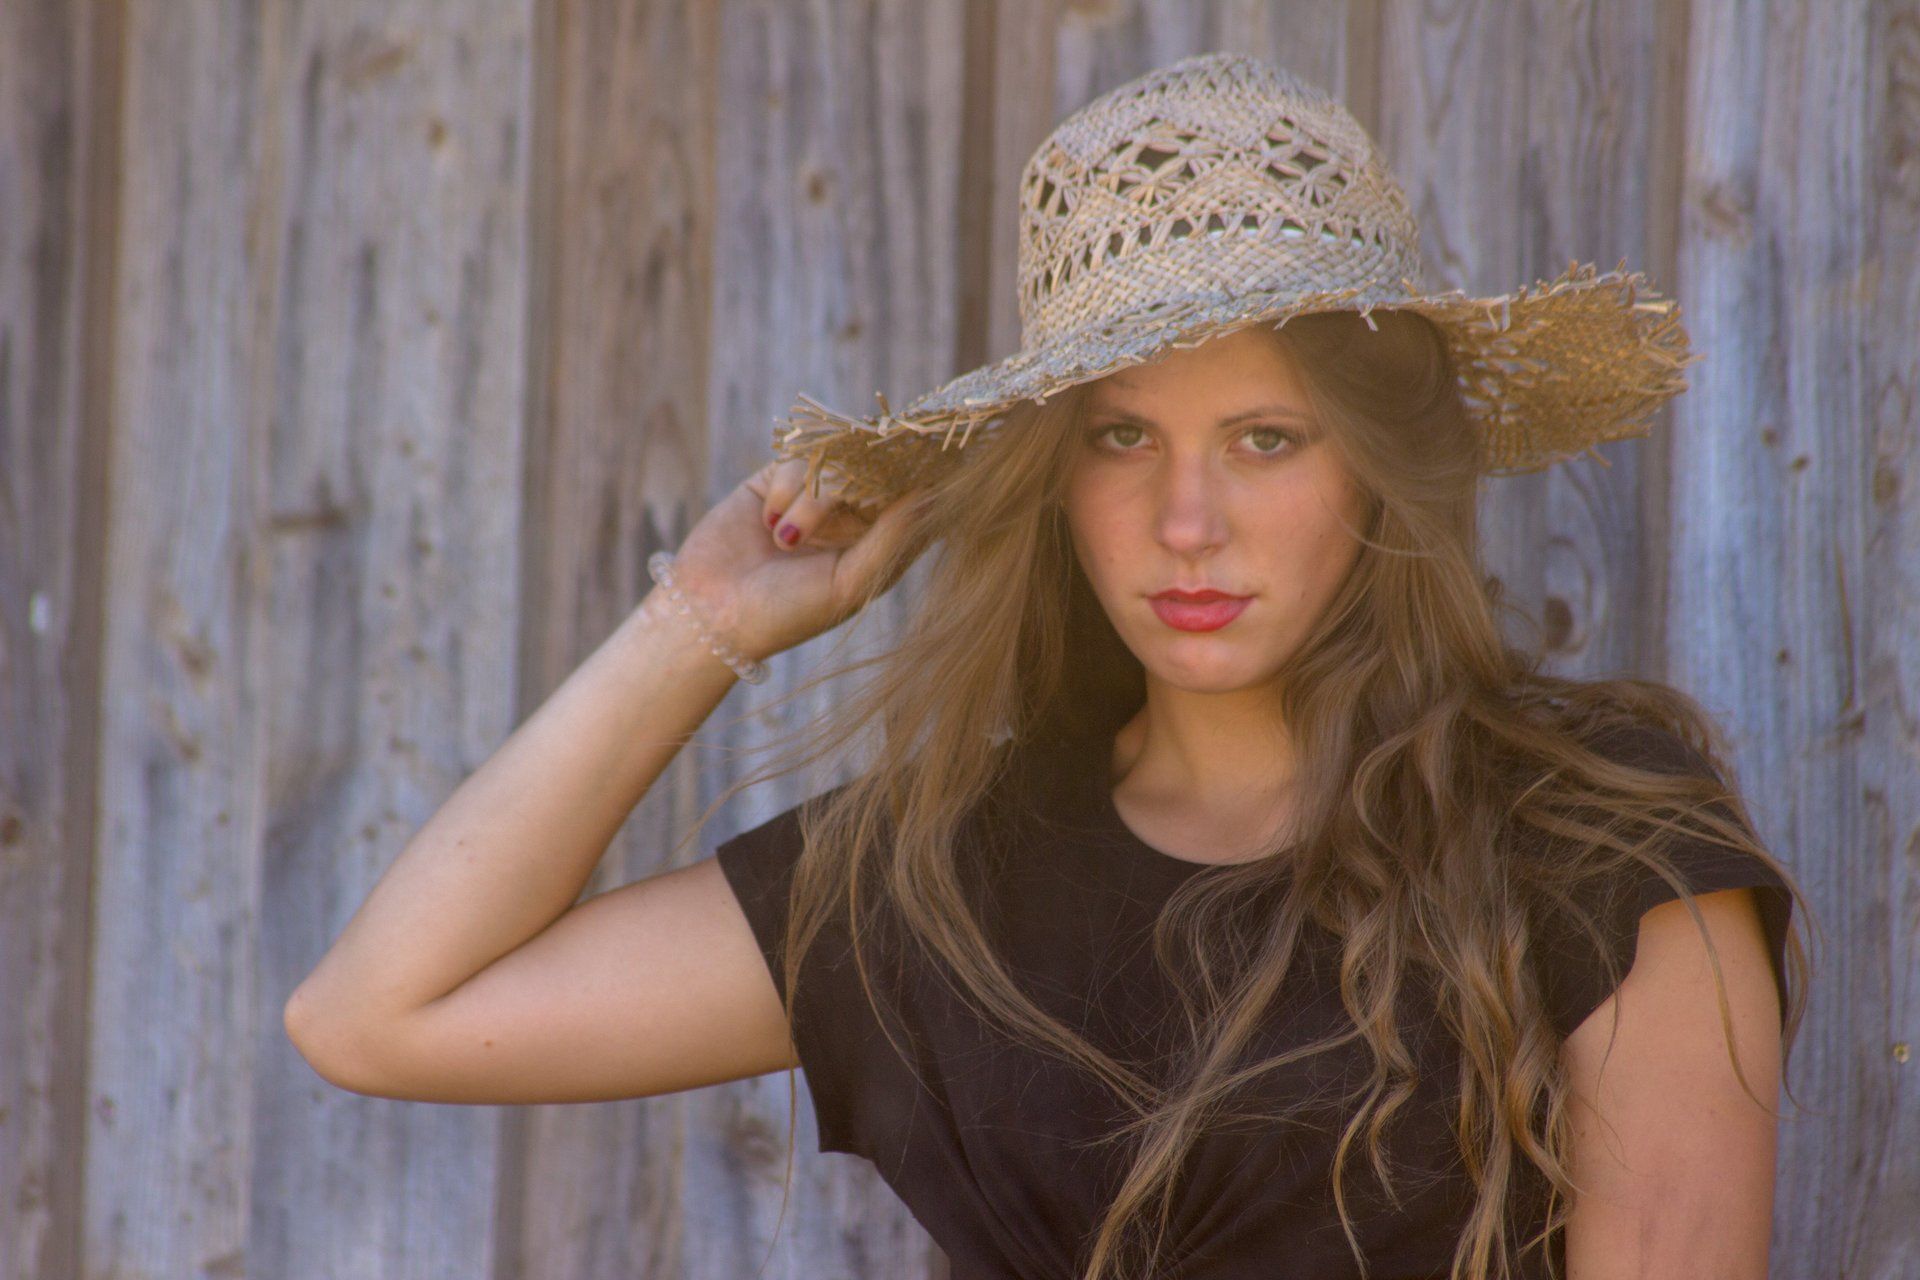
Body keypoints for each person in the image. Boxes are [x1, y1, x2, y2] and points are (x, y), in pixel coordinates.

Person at [284, 52, 1812, 1280]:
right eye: (1122, 439)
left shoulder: (1598, 845)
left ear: (1377, 474)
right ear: (1056, 485)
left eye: (1265, 440)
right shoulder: (939, 885)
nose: (1187, 522)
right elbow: (379, 1016)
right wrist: (703, 619)